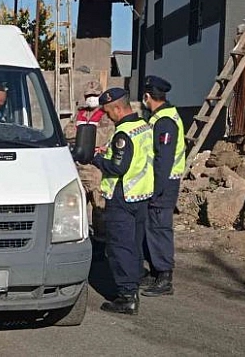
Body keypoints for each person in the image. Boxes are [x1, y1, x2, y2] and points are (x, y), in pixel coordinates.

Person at [91, 87, 154, 315]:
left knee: (120, 247)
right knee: (134, 244)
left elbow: (117, 166)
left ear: (117, 108)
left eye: (108, 112)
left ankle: (127, 297)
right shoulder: (143, 127)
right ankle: (134, 281)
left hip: (122, 196)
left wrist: (95, 158)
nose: (108, 116)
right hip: (141, 194)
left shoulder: (123, 133)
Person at [140, 75, 185, 297]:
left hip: (164, 184)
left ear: (147, 96)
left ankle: (165, 277)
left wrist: (155, 189)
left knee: (159, 229)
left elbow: (163, 160)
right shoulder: (158, 118)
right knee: (151, 228)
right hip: (160, 182)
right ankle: (156, 271)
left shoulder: (165, 121)